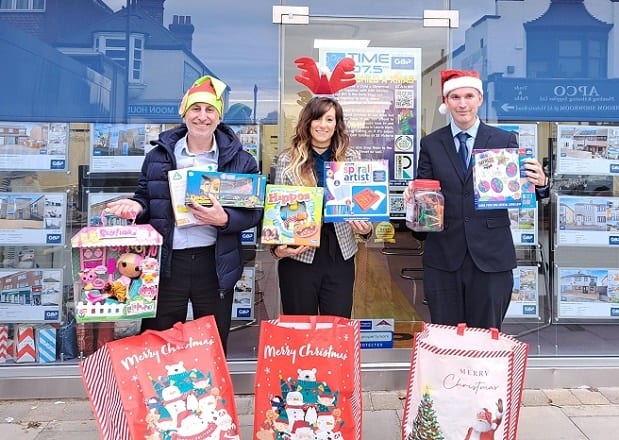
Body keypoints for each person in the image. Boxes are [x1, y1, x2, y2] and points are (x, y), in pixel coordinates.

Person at [106, 75, 262, 352]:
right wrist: (136, 206)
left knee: (210, 343)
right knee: (158, 343)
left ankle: (210, 395)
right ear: (184, 112)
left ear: (219, 116)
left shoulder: (241, 160)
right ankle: (159, 396)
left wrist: (225, 220)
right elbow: (145, 196)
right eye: (196, 109)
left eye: (210, 110)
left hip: (214, 264)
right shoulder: (159, 156)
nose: (202, 116)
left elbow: (254, 212)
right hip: (167, 264)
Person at [403, 69, 550, 330]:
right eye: (455, 97)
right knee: (446, 338)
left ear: (480, 99)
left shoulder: (504, 140)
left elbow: (523, 191)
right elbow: (426, 199)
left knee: (486, 339)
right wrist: (415, 205)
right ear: (446, 103)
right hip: (444, 257)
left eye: (469, 96)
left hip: (491, 258)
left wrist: (541, 184)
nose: (462, 103)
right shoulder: (431, 144)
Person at [270, 96, 373, 317]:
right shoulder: (287, 160)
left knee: (337, 326)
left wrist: (366, 229)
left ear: (337, 124)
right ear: (307, 122)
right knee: (299, 326)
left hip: (340, 253)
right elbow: (276, 212)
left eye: (329, 119)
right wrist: (277, 247)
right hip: (299, 254)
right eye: (317, 118)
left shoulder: (352, 158)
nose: (323, 125)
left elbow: (363, 205)